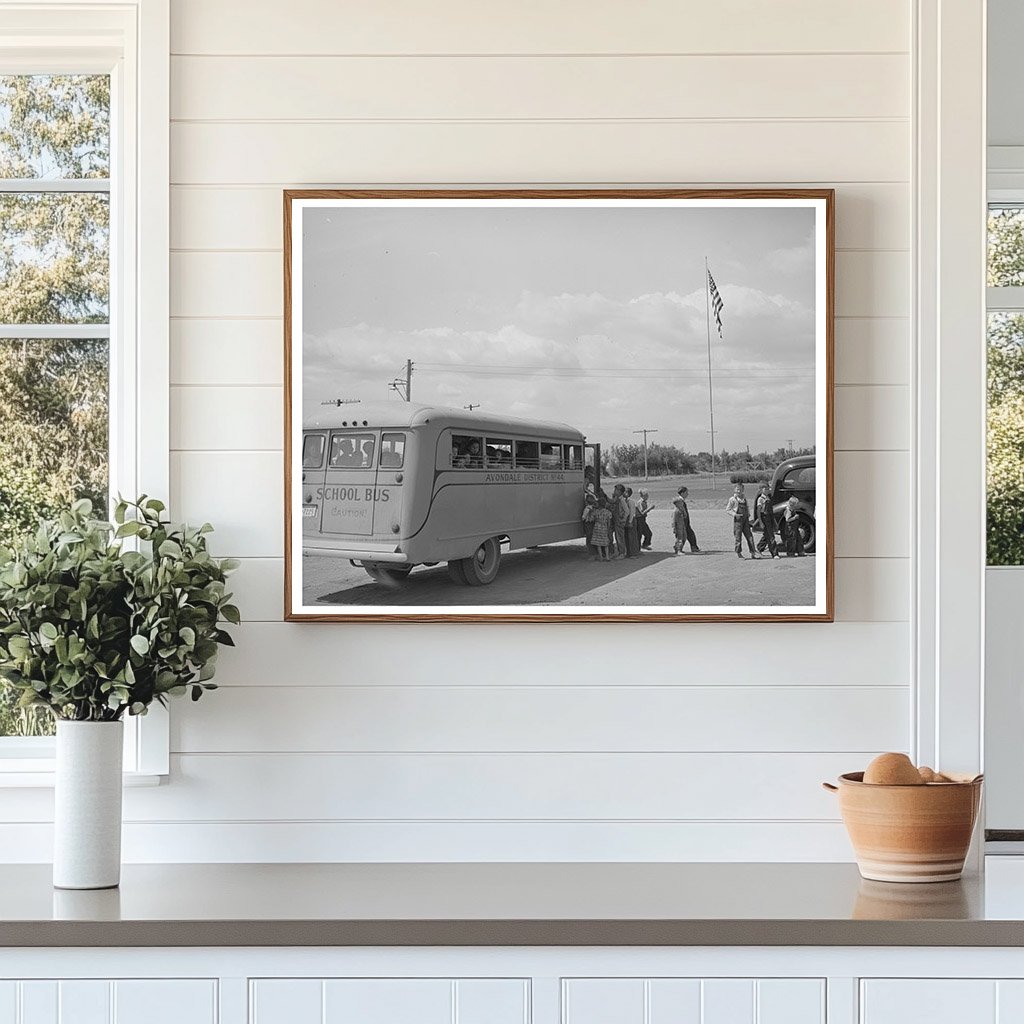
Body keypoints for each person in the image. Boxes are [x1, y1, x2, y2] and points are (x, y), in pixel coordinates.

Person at [726, 483, 758, 559]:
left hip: (745, 520)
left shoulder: (744, 498)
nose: (739, 491)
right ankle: (739, 553)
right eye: (737, 489)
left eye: (740, 489)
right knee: (738, 537)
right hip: (738, 521)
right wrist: (734, 514)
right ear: (734, 490)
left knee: (749, 536)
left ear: (743, 490)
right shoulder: (732, 499)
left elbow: (747, 507)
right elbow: (728, 509)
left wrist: (748, 514)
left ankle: (753, 553)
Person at [754, 483, 781, 559]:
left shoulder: (768, 498)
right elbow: (758, 510)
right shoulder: (760, 499)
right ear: (761, 490)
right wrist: (760, 522)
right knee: (771, 536)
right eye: (765, 489)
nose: (767, 490)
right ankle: (774, 553)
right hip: (765, 518)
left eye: (767, 489)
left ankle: (759, 548)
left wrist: (774, 521)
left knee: (767, 534)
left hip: (770, 517)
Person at [675, 486, 700, 552]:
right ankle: (678, 549)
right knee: (682, 536)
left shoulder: (682, 501)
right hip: (682, 522)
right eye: (686, 492)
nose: (687, 494)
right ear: (682, 493)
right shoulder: (679, 501)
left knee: (690, 534)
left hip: (686, 521)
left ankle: (694, 547)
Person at [590, 497, 613, 561]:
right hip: (604, 527)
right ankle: (607, 557)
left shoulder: (596, 511)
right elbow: (609, 522)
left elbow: (592, 519)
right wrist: (608, 528)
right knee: (605, 543)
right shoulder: (608, 512)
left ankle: (601, 557)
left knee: (598, 543)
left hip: (597, 527)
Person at [610, 484, 630, 559]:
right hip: (615, 520)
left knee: (620, 537)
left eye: (616, 490)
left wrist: (623, 519)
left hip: (619, 521)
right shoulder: (616, 498)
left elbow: (627, 511)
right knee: (616, 536)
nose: (614, 491)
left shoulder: (621, 500)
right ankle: (618, 552)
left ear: (619, 491)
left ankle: (622, 553)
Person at [581, 483, 599, 559]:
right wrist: (588, 491)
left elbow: (583, 517)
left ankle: (592, 554)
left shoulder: (587, 508)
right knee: (593, 538)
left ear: (586, 502)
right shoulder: (594, 507)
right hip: (593, 524)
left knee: (589, 539)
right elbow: (595, 498)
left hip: (588, 524)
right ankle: (596, 553)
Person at [672, 489, 690, 555]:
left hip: (682, 525)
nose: (682, 504)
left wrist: (684, 511)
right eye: (680, 503)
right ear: (677, 504)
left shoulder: (681, 510)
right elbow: (674, 520)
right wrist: (674, 528)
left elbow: (685, 516)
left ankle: (679, 548)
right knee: (679, 538)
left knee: (684, 537)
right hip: (678, 527)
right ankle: (678, 550)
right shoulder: (676, 511)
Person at [625, 487, 640, 557]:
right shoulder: (624, 501)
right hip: (626, 520)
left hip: (631, 520)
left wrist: (630, 521)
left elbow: (632, 512)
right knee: (627, 537)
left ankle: (634, 553)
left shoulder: (630, 502)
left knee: (632, 537)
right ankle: (628, 552)